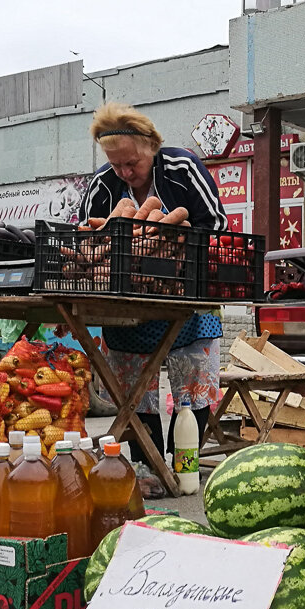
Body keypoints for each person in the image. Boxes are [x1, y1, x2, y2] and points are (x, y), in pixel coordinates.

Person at [80, 102, 228, 465]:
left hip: (186, 298)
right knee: (134, 390)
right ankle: (150, 466)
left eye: (133, 162)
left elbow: (217, 225)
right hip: (127, 306)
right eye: (117, 165)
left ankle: (184, 462)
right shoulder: (102, 184)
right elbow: (85, 241)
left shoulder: (183, 168)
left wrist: (176, 247)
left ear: (152, 146)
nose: (126, 172)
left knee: (193, 389)